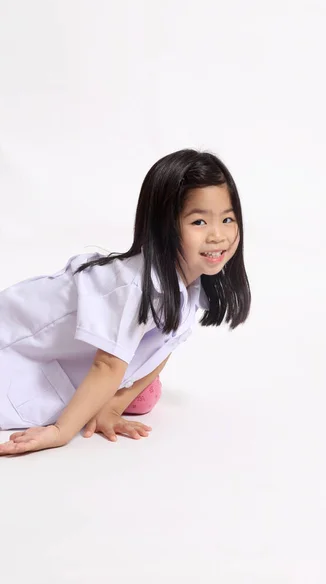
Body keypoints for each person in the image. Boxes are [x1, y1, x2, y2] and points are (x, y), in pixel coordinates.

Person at [0, 148, 251, 455]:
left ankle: (105, 398)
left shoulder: (191, 283)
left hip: (82, 357)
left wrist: (114, 406)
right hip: (14, 340)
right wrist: (59, 431)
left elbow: (166, 344)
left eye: (227, 219)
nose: (218, 235)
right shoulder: (134, 287)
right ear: (165, 227)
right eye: (199, 222)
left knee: (145, 396)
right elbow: (107, 364)